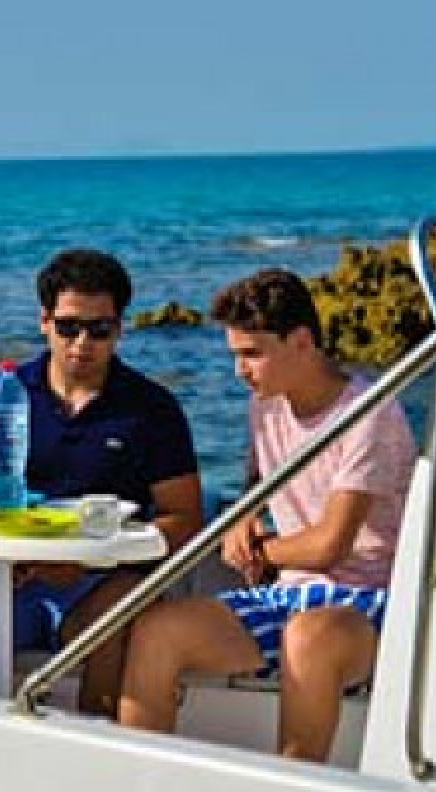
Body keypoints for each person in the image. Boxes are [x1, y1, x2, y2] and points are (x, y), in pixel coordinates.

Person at [118, 268, 416, 761]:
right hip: (290, 593)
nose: (240, 370)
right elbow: (255, 490)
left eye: (252, 354)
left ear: (301, 342)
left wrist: (257, 551)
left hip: (370, 600)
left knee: (307, 638)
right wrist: (242, 521)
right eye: (235, 355)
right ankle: (139, 782)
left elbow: (330, 545)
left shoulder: (369, 412)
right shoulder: (266, 406)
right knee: (158, 629)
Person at [0, 248, 203, 714]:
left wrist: (91, 558)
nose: (82, 342)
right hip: (11, 577)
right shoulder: (5, 394)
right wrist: (9, 550)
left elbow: (184, 519)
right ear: (44, 322)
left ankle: (92, 744)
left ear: (119, 329)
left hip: (102, 582)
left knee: (118, 618)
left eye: (99, 329)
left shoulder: (152, 409)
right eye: (68, 327)